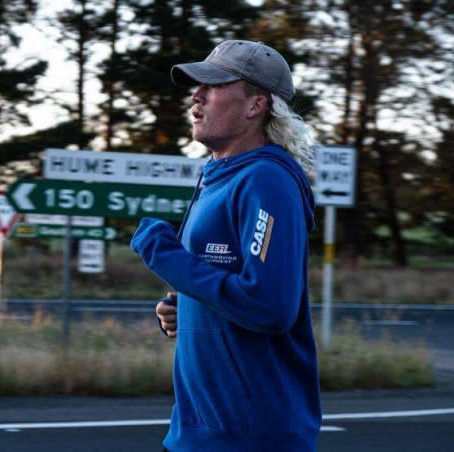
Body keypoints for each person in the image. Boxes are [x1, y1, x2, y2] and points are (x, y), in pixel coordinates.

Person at [130, 40, 321, 452]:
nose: (196, 96)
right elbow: (222, 282)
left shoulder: (267, 181)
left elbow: (269, 306)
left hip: (250, 437)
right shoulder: (216, 176)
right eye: (196, 86)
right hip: (194, 430)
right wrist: (186, 309)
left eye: (213, 86)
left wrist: (165, 256)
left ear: (256, 105)